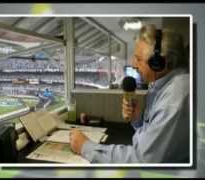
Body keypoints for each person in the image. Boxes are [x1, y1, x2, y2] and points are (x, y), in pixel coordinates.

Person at [69, 24, 190, 163]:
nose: (134, 64)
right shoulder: (161, 86)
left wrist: (85, 147)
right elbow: (152, 141)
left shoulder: (175, 98)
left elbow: (142, 160)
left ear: (159, 63)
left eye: (139, 59)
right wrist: (138, 119)